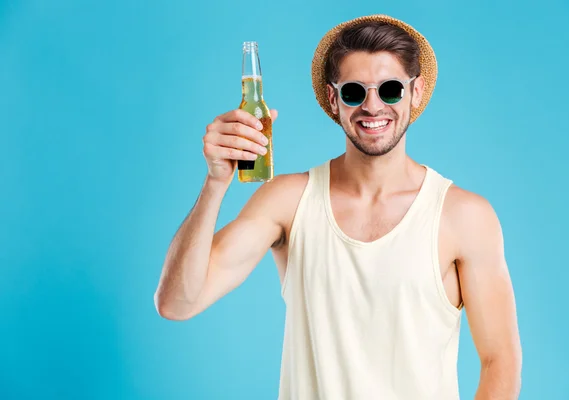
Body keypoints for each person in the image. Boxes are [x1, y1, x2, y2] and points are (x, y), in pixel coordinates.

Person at [154, 14, 522, 400]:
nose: (373, 106)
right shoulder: (288, 201)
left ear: (416, 92)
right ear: (333, 99)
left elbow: (501, 360)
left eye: (391, 89)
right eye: (354, 92)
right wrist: (215, 184)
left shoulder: (464, 217)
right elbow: (178, 303)